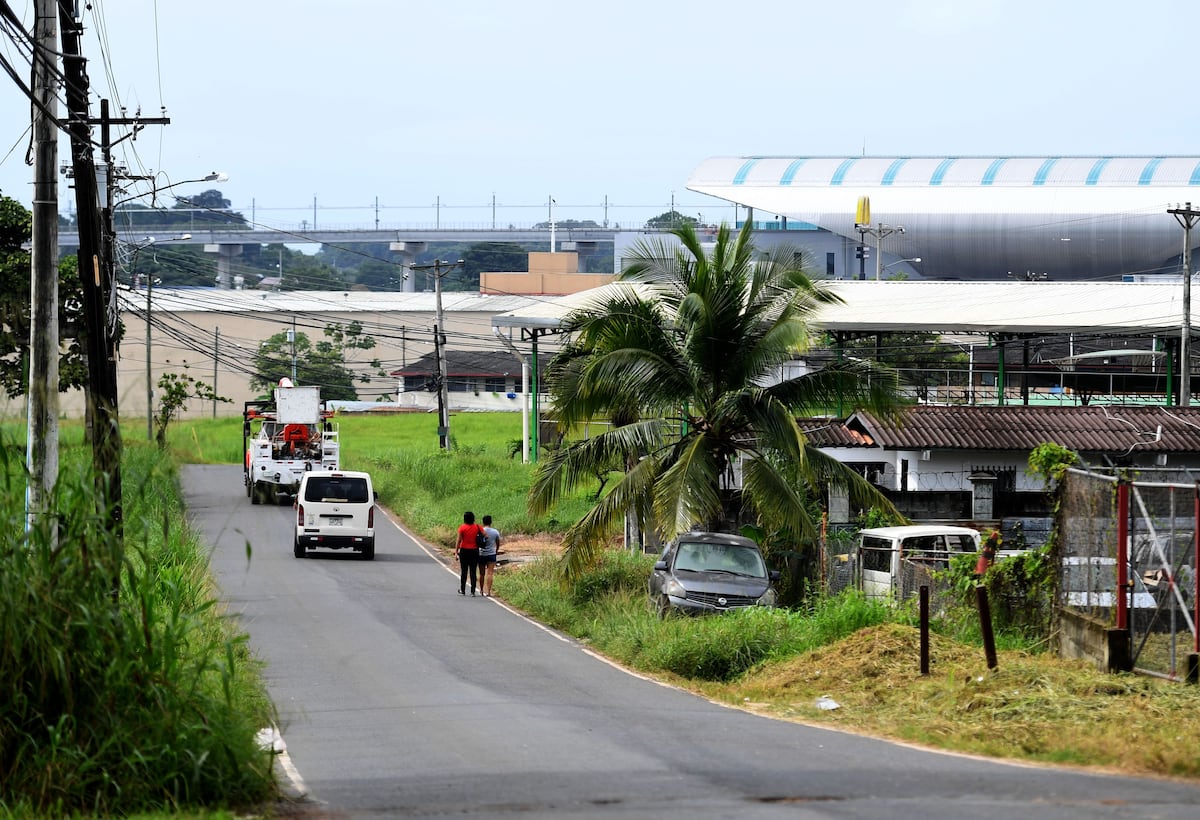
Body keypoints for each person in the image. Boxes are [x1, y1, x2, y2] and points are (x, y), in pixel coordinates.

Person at [455, 511, 482, 596]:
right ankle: (473, 591)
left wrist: (456, 552)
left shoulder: (462, 528)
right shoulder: (477, 527)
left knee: (464, 571)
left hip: (464, 551)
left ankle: (463, 590)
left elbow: (459, 540)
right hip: (474, 551)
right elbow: (486, 535)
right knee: (473, 571)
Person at [478, 515, 502, 597]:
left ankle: (481, 590)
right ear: (491, 522)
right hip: (491, 554)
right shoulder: (495, 532)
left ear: (483, 522)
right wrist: (496, 550)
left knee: (481, 574)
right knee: (490, 573)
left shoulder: (480, 531)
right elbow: (498, 542)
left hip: (481, 554)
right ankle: (488, 591)